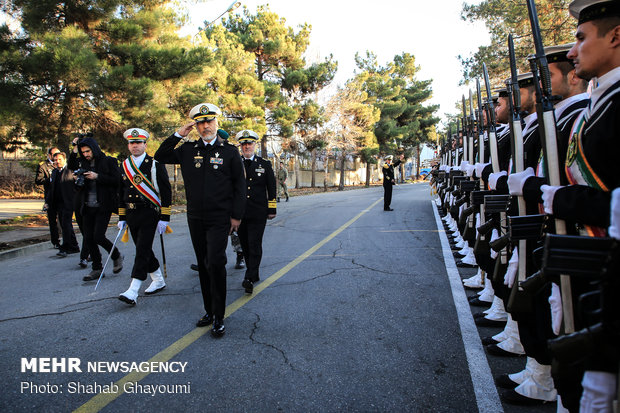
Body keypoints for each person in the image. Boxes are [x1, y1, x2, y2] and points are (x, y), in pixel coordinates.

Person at [538, 2, 620, 411]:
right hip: (589, 267)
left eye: (581, 37)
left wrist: (562, 198)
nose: (573, 52)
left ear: (615, 36)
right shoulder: (599, 103)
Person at [154, 103, 245, 338]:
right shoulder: (187, 150)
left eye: (210, 121)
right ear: (196, 126)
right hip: (195, 217)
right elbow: (160, 155)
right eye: (201, 122)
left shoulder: (229, 151)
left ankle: (219, 316)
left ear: (217, 123)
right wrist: (178, 134)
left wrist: (236, 216)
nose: (206, 126)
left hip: (220, 217)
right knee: (204, 264)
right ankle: (209, 310)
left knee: (215, 262)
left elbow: (239, 186)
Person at [117, 128, 172, 306]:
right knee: (144, 249)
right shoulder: (124, 165)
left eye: (138, 142)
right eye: (132, 143)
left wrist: (165, 217)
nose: (135, 146)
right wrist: (121, 216)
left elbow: (165, 191)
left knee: (141, 249)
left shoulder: (155, 163)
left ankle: (133, 290)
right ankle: (158, 280)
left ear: (145, 144)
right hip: (132, 213)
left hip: (149, 212)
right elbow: (121, 192)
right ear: (128, 145)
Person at [68, 135, 123, 281]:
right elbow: (71, 165)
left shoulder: (108, 161)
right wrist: (74, 148)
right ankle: (97, 268)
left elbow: (117, 180)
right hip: (86, 205)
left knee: (98, 236)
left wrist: (97, 176)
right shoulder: (82, 163)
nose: (86, 155)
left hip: (103, 205)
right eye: (83, 152)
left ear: (94, 148)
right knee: (88, 238)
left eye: (88, 151)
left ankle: (116, 255)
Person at [235, 130, 276, 294]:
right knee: (244, 244)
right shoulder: (235, 163)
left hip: (258, 211)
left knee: (254, 243)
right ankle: (255, 273)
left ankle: (249, 277)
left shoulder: (264, 164)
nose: (247, 146)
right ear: (240, 146)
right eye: (244, 144)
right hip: (240, 212)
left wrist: (272, 207)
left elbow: (271, 187)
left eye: (249, 143)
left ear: (255, 145)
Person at [46, 152, 80, 258]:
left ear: (64, 160)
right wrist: (48, 202)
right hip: (58, 203)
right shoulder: (55, 172)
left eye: (59, 159)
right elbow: (52, 189)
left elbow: (77, 186)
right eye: (55, 160)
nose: (57, 162)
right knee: (65, 224)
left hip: (69, 202)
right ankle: (74, 246)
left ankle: (65, 247)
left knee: (66, 224)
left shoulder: (70, 170)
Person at [36, 147, 61, 248]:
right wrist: (50, 179)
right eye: (54, 155)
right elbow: (38, 180)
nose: (56, 158)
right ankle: (55, 242)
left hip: (61, 196)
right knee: (52, 220)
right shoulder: (44, 166)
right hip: (50, 197)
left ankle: (68, 241)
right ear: (50, 155)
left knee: (64, 220)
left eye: (58, 155)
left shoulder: (62, 164)